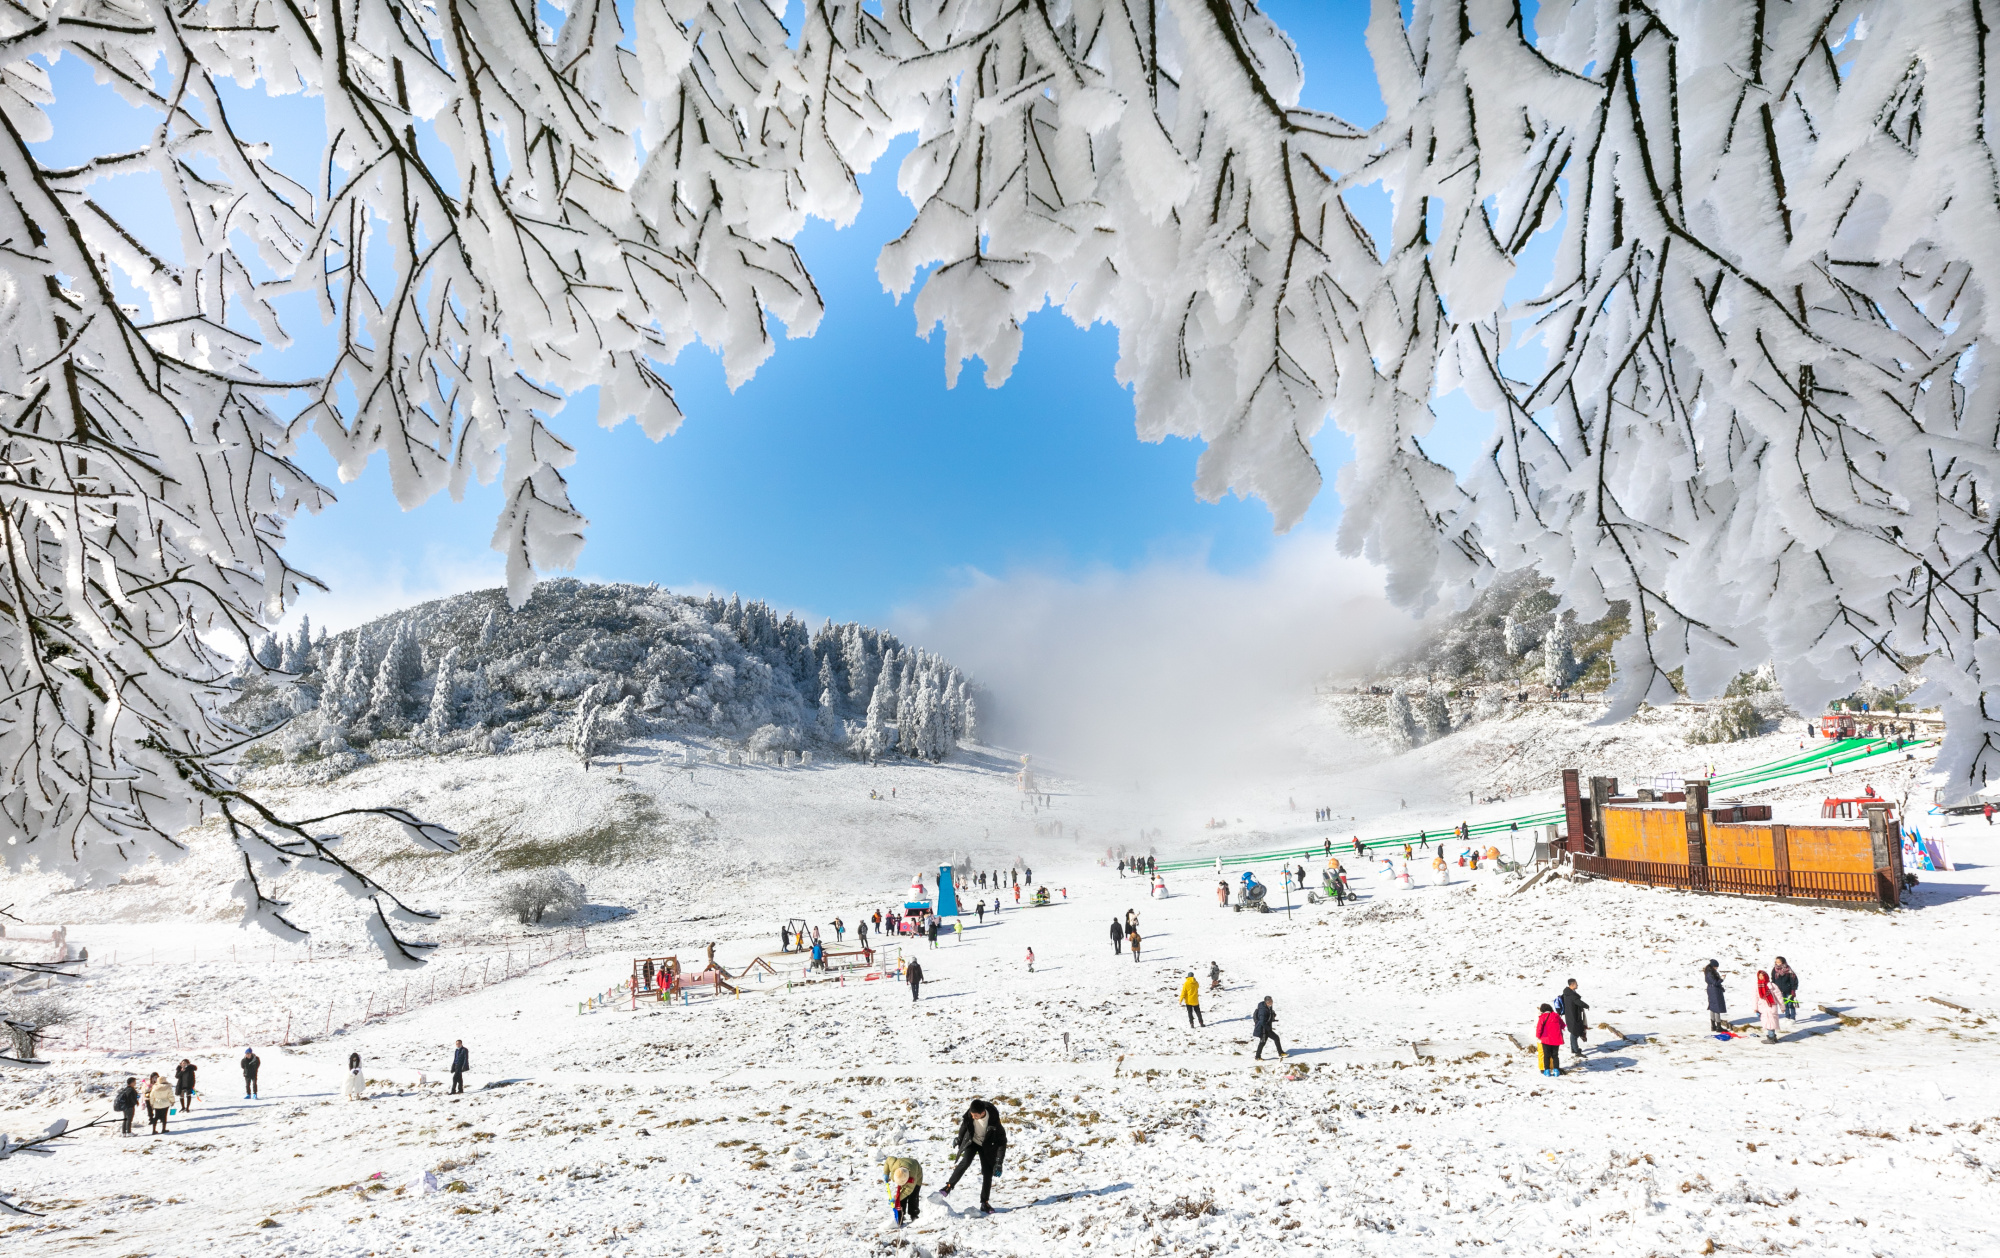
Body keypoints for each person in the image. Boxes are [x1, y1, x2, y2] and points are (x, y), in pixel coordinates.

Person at [938, 1099, 1007, 1215]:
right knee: (965, 1162)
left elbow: (1002, 1142)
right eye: (972, 1114)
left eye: (975, 1115)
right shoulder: (970, 1114)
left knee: (987, 1172)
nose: (973, 1116)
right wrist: (959, 1138)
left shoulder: (994, 1120)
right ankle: (948, 1186)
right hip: (972, 1141)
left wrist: (999, 1162)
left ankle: (984, 1202)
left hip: (986, 1145)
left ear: (982, 1112)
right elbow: (964, 1125)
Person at [884, 1155, 923, 1226]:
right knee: (901, 1196)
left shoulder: (912, 1178)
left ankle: (914, 1214)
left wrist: (896, 1198)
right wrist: (886, 1173)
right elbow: (888, 1159)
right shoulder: (894, 1165)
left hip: (917, 1173)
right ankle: (901, 1215)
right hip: (902, 1165)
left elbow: (908, 1191)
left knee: (913, 1196)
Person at [1558, 979, 1589, 1059]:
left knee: (1573, 1032)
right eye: (1576, 984)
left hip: (1570, 1016)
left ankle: (1573, 1049)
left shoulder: (1567, 993)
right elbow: (1578, 1002)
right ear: (1572, 985)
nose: (1577, 985)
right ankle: (1576, 1051)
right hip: (1573, 1017)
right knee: (1575, 1033)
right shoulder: (1571, 995)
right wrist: (1586, 1006)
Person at [1535, 1002, 1564, 1075]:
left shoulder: (1542, 1017)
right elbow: (1563, 1025)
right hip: (1556, 1039)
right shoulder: (1556, 1015)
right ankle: (1556, 1070)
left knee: (1546, 1055)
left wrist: (1538, 1036)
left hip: (1546, 1039)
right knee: (1555, 1055)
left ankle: (1547, 1071)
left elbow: (1539, 1028)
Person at [1755, 971, 1783, 1043]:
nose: (1761, 977)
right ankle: (1773, 1037)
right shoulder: (1756, 986)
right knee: (1767, 1022)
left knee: (1771, 1022)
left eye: (1762, 976)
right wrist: (1755, 1008)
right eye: (1759, 976)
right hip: (1762, 1007)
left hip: (1771, 1006)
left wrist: (1782, 1006)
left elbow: (1778, 996)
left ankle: (1771, 1038)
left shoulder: (1771, 985)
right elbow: (1755, 998)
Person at [1703, 960, 1727, 1033]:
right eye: (1716, 967)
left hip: (1711, 990)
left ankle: (1713, 1025)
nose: (1716, 968)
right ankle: (1718, 1027)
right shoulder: (1710, 973)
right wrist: (1722, 979)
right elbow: (1715, 982)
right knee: (1717, 1007)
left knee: (1712, 1007)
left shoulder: (1709, 971)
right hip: (1714, 990)